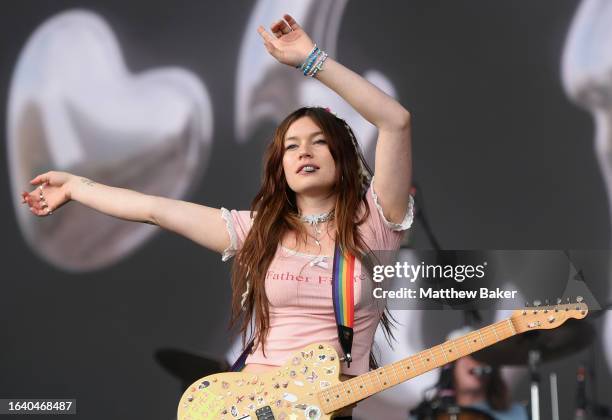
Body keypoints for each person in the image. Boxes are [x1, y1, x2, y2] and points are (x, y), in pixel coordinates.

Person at [21, 14, 413, 418]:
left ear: (342, 158)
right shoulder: (259, 230)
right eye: (291, 147)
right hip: (252, 406)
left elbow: (396, 121)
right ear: (281, 167)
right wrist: (75, 188)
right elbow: (154, 210)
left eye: (319, 142)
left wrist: (310, 59)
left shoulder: (375, 224)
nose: (304, 152)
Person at [411, 355, 528, 420]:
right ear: (451, 366)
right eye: (471, 354)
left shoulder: (517, 414)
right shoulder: (424, 415)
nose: (477, 361)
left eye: (482, 353)